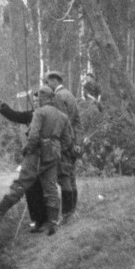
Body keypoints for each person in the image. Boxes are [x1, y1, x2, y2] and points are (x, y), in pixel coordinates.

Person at [0, 86, 70, 235]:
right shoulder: (63, 116)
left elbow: (34, 135)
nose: (36, 102)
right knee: (51, 189)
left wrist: (28, 149)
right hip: (53, 154)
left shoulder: (39, 112)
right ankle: (52, 223)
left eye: (38, 99)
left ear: (43, 98)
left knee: (20, 185)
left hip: (37, 154)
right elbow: (67, 141)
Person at [0, 98, 48, 231]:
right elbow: (16, 115)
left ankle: (45, 220)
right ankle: (37, 220)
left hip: (44, 155)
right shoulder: (31, 114)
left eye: (38, 100)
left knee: (42, 187)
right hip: (33, 155)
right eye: (34, 101)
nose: (36, 102)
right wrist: (4, 107)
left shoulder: (47, 114)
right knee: (31, 189)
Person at [45, 70, 80, 223]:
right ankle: (73, 210)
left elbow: (60, 121)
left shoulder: (58, 96)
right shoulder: (70, 95)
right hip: (73, 141)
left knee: (64, 177)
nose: (47, 85)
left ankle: (67, 214)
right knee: (71, 177)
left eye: (48, 82)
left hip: (64, 143)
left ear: (54, 81)